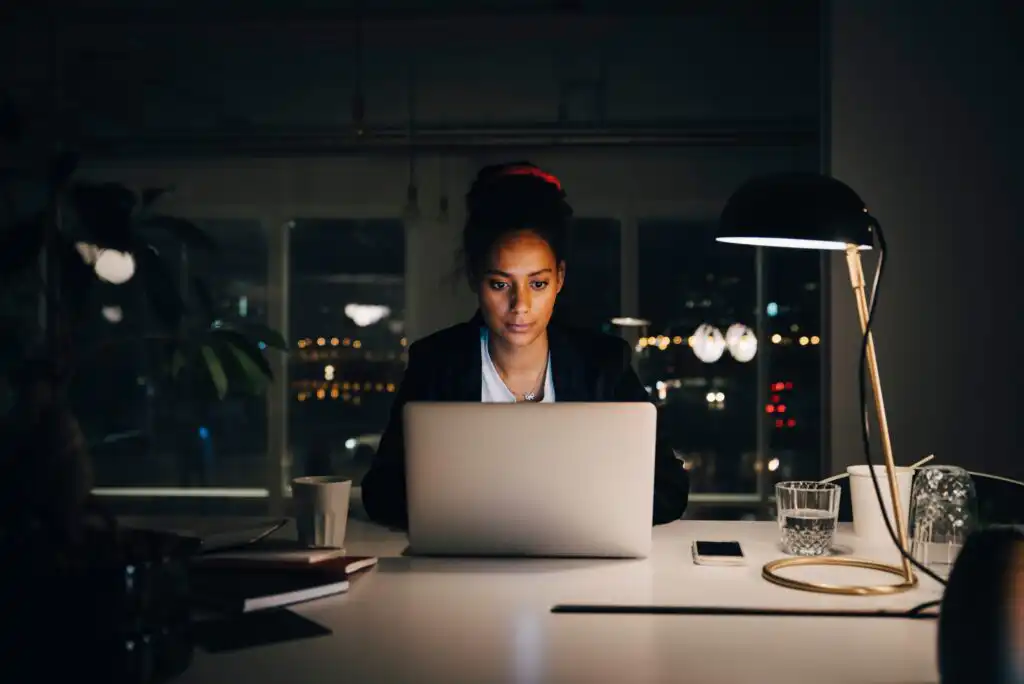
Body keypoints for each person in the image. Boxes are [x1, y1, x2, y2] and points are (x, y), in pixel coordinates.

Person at [360, 161, 690, 529]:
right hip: (465, 566)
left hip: (576, 565)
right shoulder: (437, 362)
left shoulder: (603, 363)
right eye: (500, 284)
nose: (520, 306)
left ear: (560, 278)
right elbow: (381, 492)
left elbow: (670, 489)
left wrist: (574, 510)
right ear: (475, 279)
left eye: (537, 284)